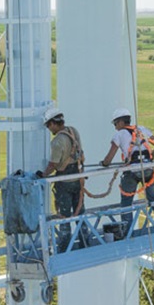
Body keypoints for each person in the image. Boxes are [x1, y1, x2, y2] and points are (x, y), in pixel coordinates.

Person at [98, 108, 154, 235]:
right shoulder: (141, 129)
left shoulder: (119, 134)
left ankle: (127, 234)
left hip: (132, 172)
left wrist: (104, 163)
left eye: (115, 124)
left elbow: (108, 159)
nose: (115, 127)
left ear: (121, 122)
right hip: (148, 169)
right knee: (153, 199)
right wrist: (151, 157)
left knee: (126, 203)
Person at [38, 106, 88, 250]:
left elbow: (53, 164)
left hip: (64, 181)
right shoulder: (73, 131)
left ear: (54, 123)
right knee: (80, 212)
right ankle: (85, 241)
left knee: (64, 216)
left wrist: (43, 174)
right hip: (78, 178)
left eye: (49, 125)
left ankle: (65, 246)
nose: (49, 129)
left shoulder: (57, 142)